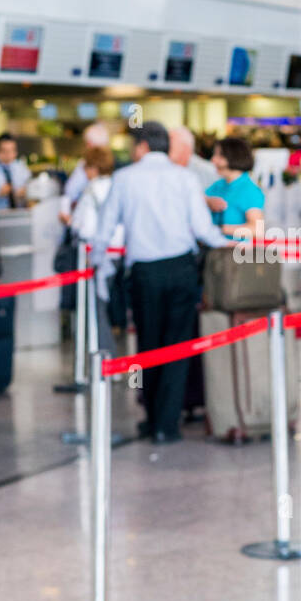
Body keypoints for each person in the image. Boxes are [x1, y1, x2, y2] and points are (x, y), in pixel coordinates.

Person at [92, 121, 233, 444]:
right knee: (177, 346)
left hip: (144, 274)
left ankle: (152, 417)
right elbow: (203, 231)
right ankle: (167, 425)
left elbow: (105, 227)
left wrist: (98, 263)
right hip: (181, 271)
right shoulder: (185, 178)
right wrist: (229, 243)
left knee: (148, 345)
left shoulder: (124, 178)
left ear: (142, 147)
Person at [70, 146, 124, 354]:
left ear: (93, 167)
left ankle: (105, 358)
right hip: (122, 253)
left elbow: (82, 226)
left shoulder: (91, 190)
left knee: (97, 308)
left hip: (99, 254)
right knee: (117, 306)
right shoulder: (118, 186)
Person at [205, 137, 265, 240]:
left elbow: (257, 229)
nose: (213, 160)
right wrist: (208, 201)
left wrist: (220, 229)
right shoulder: (219, 185)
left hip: (233, 252)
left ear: (233, 157)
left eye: (219, 155)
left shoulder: (250, 190)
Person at [60, 122, 111, 224]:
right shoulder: (114, 166)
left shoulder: (85, 165)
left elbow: (70, 191)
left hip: (86, 227)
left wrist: (70, 220)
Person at [169, 125, 216, 190]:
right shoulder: (166, 169)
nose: (166, 147)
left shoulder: (208, 170)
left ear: (184, 147)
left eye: (171, 145)